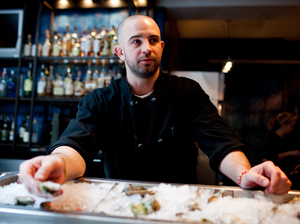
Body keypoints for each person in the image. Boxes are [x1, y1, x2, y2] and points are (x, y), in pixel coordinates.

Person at [19, 15, 291, 197]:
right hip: (120, 205)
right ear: (121, 52)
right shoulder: (100, 100)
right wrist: (58, 164)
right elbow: (77, 145)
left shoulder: (187, 92)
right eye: (135, 41)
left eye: (152, 41)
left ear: (161, 46)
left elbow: (220, 142)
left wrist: (244, 174)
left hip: (180, 206)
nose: (146, 48)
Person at [263, 112, 300, 180]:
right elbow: (272, 157)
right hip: (277, 173)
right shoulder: (272, 138)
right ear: (283, 125)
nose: (292, 129)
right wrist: (291, 153)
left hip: (287, 172)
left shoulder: (287, 137)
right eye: (291, 126)